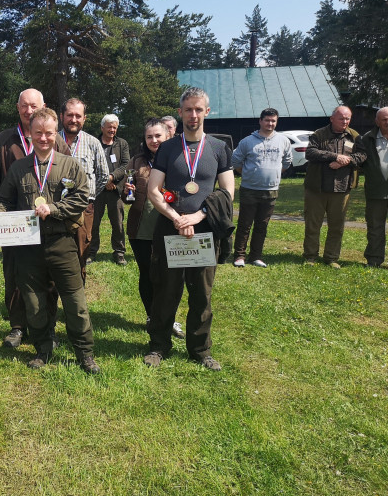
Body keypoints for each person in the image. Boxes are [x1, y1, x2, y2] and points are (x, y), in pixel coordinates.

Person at [0, 108, 100, 374]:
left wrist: (54, 208)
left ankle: (85, 353)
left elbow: (82, 197)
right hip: (28, 246)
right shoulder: (19, 168)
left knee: (75, 302)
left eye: (49, 133)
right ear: (31, 133)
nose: (44, 138)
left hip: (62, 243)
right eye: (38, 133)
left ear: (55, 132)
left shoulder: (70, 165)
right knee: (34, 302)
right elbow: (3, 200)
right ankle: (43, 349)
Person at [144, 87, 234, 371]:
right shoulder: (168, 148)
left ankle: (200, 350)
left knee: (201, 294)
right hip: (171, 230)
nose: (193, 115)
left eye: (198, 109)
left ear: (207, 111)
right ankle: (158, 346)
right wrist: (176, 218)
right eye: (188, 109)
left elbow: (227, 192)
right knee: (165, 291)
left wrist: (197, 216)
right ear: (180, 112)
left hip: (204, 231)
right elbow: (153, 190)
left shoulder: (219, 148)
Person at [0, 88, 71, 348]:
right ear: (17, 107)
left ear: (43, 107)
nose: (29, 110)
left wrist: (57, 211)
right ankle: (18, 326)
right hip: (14, 226)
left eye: (34, 106)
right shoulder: (2, 141)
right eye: (24, 105)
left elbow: (68, 182)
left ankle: (47, 327)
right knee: (15, 276)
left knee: (49, 278)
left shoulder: (57, 141)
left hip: (49, 224)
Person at [123, 119, 186, 340]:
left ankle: (169, 318)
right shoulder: (136, 161)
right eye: (149, 136)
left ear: (168, 135)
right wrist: (127, 192)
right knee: (147, 274)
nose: (154, 140)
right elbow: (127, 198)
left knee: (170, 276)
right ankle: (152, 316)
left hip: (171, 225)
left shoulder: (179, 158)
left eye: (158, 135)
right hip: (142, 228)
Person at [303, 106, 364, 268]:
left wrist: (346, 161)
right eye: (341, 118)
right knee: (313, 225)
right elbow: (310, 153)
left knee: (337, 226)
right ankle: (310, 256)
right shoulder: (319, 134)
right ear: (332, 119)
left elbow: (362, 155)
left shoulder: (354, 136)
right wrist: (335, 156)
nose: (345, 121)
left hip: (342, 188)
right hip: (317, 188)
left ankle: (331, 258)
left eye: (347, 118)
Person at [231, 108, 292, 268]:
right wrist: (249, 174)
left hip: (271, 190)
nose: (270, 123)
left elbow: (287, 162)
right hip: (249, 189)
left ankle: (256, 256)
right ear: (260, 121)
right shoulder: (247, 141)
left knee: (262, 225)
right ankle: (239, 256)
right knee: (245, 224)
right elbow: (235, 162)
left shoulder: (283, 141)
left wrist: (273, 174)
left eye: (273, 121)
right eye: (267, 120)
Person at [59, 98, 109, 278]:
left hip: (83, 208)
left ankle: (79, 288)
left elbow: (103, 175)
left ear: (84, 118)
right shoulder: (52, 141)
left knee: (82, 250)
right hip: (56, 207)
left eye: (78, 116)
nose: (73, 119)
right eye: (69, 115)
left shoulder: (92, 143)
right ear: (61, 116)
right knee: (56, 251)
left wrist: (89, 196)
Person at [86, 114, 130, 265]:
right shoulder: (93, 142)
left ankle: (119, 252)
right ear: (102, 128)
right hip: (97, 190)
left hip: (115, 190)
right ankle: (91, 252)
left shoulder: (122, 144)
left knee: (118, 223)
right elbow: (89, 165)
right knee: (93, 223)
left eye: (115, 127)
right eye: (109, 127)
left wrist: (111, 177)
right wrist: (104, 182)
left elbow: (125, 165)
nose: (112, 130)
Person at [355, 107, 388, 267]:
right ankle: (374, 259)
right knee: (375, 228)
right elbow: (359, 161)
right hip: (376, 192)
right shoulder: (366, 139)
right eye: (384, 119)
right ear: (377, 121)